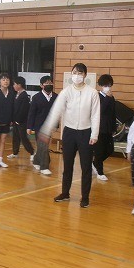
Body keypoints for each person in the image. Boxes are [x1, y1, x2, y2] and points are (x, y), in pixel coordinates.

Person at [39, 64, 100, 208]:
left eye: (80, 73)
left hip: (86, 133)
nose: (77, 75)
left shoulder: (92, 93)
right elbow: (56, 111)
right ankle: (65, 193)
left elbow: (95, 115)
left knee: (86, 167)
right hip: (69, 133)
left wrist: (94, 134)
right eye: (74, 72)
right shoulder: (66, 92)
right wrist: (46, 130)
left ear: (85, 75)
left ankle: (85, 197)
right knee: (67, 165)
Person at [27, 76, 57, 176]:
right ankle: (44, 167)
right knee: (43, 146)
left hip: (50, 125)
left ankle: (36, 161)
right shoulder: (36, 97)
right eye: (46, 83)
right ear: (41, 85)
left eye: (50, 83)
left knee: (42, 146)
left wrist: (56, 125)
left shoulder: (56, 97)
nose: (49, 85)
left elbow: (57, 113)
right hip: (39, 126)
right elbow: (31, 113)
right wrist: (29, 127)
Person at [92, 74, 116, 182]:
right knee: (99, 151)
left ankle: (95, 163)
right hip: (99, 129)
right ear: (100, 85)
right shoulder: (97, 96)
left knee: (110, 150)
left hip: (108, 128)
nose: (108, 87)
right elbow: (99, 111)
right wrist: (107, 98)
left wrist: (114, 128)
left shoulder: (111, 97)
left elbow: (113, 113)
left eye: (109, 85)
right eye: (105, 85)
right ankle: (100, 172)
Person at [7, 76, 34, 160]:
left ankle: (32, 152)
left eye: (14, 84)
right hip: (16, 121)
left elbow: (23, 110)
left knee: (23, 138)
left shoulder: (24, 95)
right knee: (15, 137)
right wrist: (13, 120)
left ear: (19, 85)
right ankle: (15, 153)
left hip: (21, 122)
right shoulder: (17, 94)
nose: (13, 86)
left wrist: (18, 120)